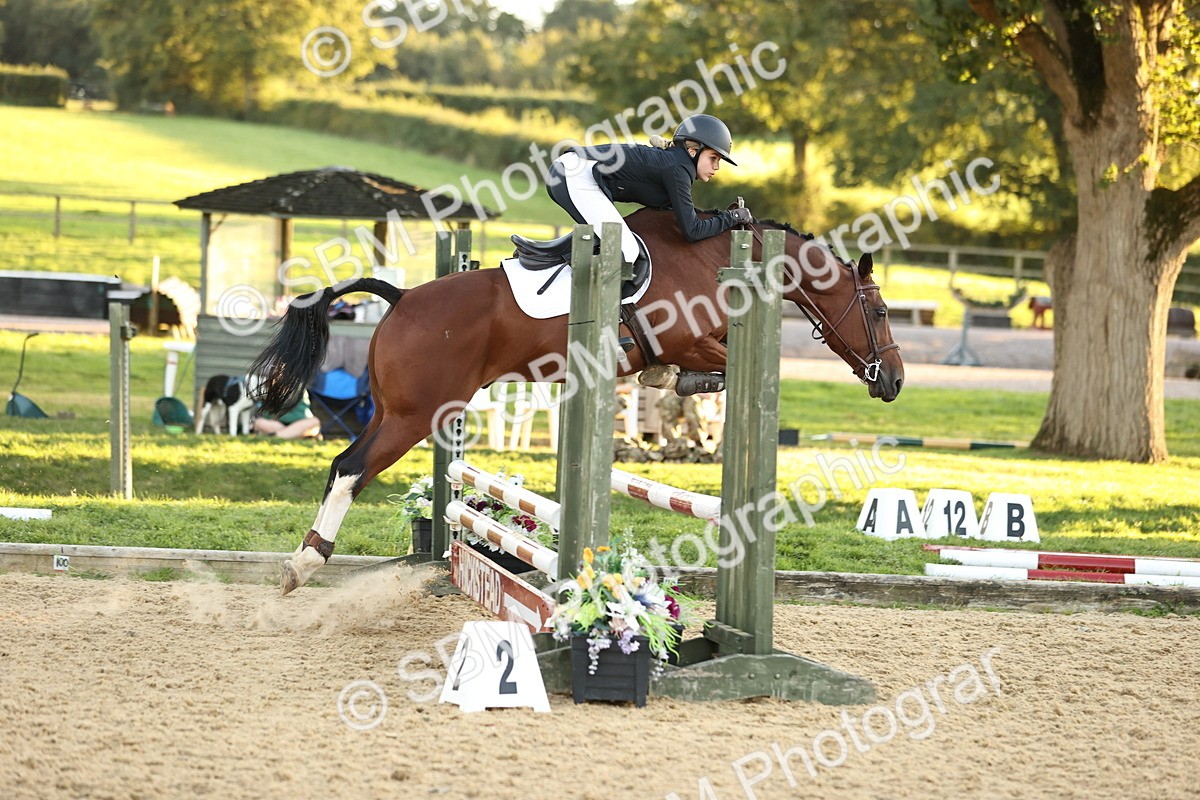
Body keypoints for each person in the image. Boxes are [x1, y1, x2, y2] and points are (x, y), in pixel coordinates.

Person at [547, 114, 753, 267]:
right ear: (693, 150)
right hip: (574, 174)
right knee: (625, 252)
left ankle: (543, 258)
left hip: (569, 171)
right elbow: (692, 231)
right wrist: (732, 217)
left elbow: (680, 217)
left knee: (613, 245)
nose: (716, 167)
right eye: (713, 158)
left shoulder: (676, 164)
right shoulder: (678, 169)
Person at [253, 391, 321, 439]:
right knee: (260, 422)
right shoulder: (269, 390)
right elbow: (265, 414)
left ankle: (276, 436)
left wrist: (279, 415)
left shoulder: (300, 390)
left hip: (298, 424)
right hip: (277, 424)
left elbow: (301, 414)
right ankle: (292, 435)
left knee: (314, 422)